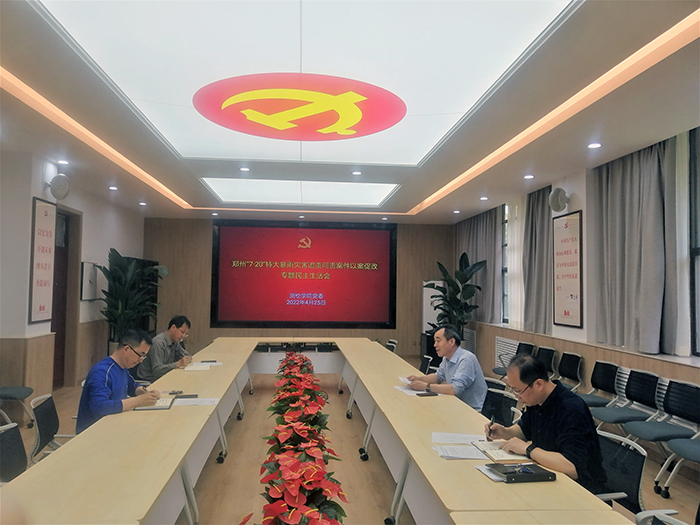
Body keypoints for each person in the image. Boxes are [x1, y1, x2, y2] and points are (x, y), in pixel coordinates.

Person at [485, 354, 607, 494]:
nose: (516, 396)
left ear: (538, 384)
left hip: (580, 489)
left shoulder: (572, 409)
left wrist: (528, 449)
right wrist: (505, 432)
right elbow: (524, 430)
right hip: (547, 475)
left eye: (518, 391)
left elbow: (572, 467)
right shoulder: (537, 400)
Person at [76, 329, 160, 433]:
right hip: (94, 433)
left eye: (143, 356)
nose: (140, 360)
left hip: (115, 425)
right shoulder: (102, 372)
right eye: (140, 355)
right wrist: (137, 401)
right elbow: (99, 406)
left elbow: (131, 385)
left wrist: (144, 392)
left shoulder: (122, 367)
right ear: (126, 349)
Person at [407, 325, 488, 411]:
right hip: (455, 403)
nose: (435, 345)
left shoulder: (466, 359)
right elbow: (438, 377)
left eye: (438, 341)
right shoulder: (447, 358)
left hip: (471, 410)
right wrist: (419, 379)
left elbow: (455, 389)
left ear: (451, 342)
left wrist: (426, 386)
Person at [136, 315, 192, 382]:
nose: (183, 336)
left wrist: (187, 358)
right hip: (149, 381)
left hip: (163, 377)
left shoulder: (175, 341)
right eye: (182, 332)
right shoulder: (158, 343)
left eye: (185, 334)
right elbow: (157, 371)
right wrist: (177, 364)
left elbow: (186, 355)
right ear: (173, 327)